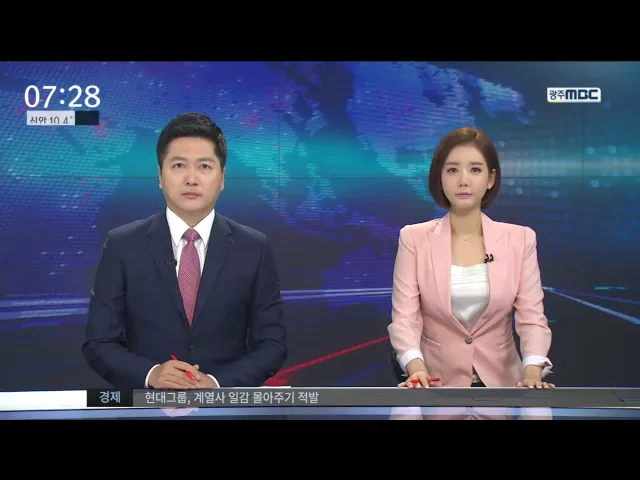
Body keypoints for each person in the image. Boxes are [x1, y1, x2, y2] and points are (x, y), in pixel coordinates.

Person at [82, 113, 287, 389]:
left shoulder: (254, 248)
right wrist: (151, 374)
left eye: (204, 166)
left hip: (225, 406)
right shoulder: (123, 245)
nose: (191, 179)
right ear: (160, 176)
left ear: (222, 178)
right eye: (179, 165)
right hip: (147, 405)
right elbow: (99, 342)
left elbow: (272, 344)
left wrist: (217, 383)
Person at [387, 127, 554, 389]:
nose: (463, 180)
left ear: (491, 178)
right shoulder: (414, 238)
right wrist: (416, 369)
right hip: (434, 386)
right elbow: (405, 319)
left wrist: (532, 373)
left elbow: (532, 318)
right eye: (452, 170)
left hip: (503, 387)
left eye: (475, 169)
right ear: (440, 177)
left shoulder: (520, 240)